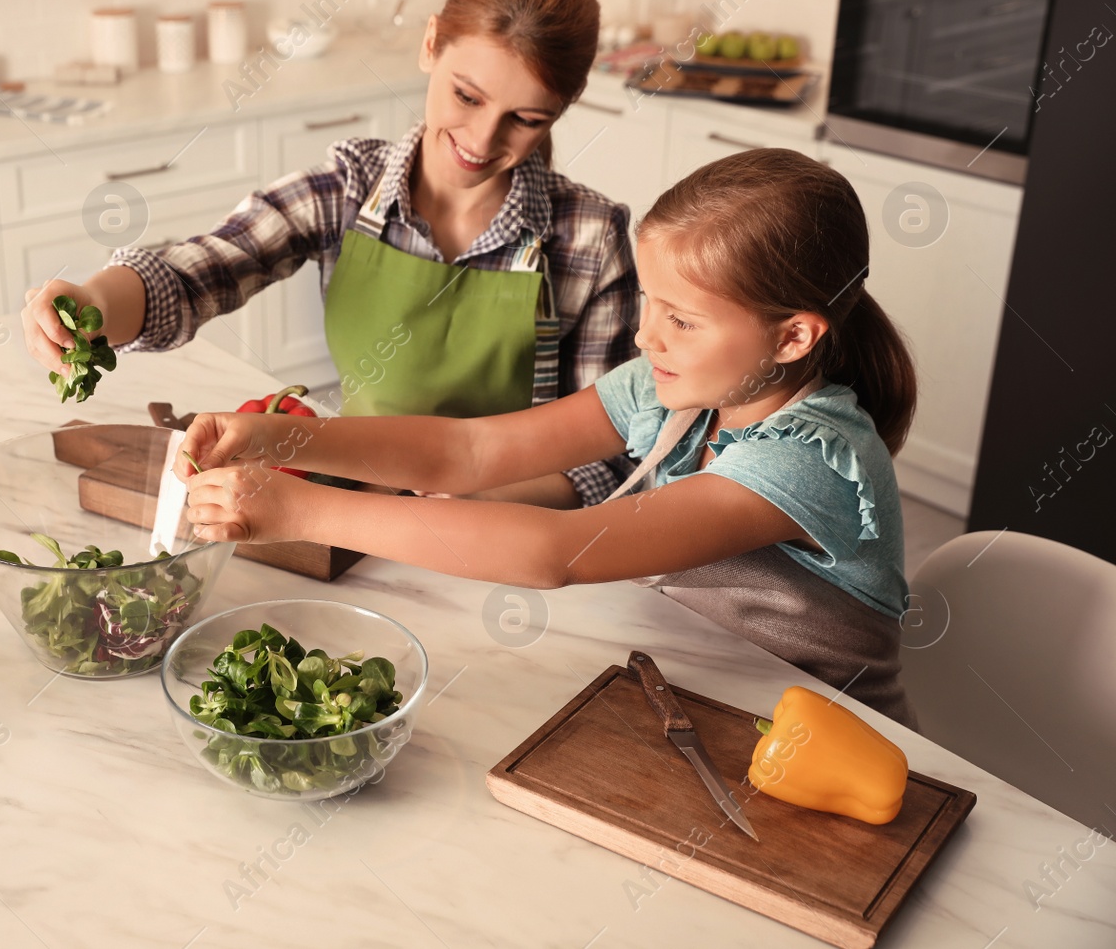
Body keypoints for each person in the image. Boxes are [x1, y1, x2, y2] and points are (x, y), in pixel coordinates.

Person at [177, 148, 922, 727]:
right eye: (650, 304)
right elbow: (467, 453)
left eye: (682, 320)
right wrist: (282, 439)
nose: (646, 333)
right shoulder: (676, 388)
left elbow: (557, 552)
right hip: (711, 704)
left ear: (792, 336)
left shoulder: (809, 459)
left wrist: (304, 513)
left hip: (829, 746)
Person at [21, 0, 638, 507]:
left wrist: (456, 510)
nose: (482, 139)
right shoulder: (346, 189)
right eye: (468, 97)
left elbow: (606, 454)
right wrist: (91, 303)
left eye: (525, 119)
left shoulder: (589, 238)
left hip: (510, 528)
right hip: (353, 500)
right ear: (430, 46)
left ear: (562, 108)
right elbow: (194, 276)